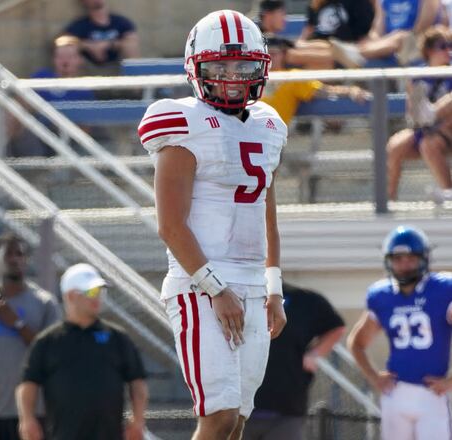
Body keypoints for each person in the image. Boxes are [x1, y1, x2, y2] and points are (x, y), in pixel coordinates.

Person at [139, 9, 288, 440]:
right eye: (219, 66)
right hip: (199, 281)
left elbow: (268, 213)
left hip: (253, 284)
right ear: (195, 67)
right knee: (219, 415)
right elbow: (170, 224)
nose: (232, 76)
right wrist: (215, 287)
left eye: (243, 65)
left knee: (238, 419)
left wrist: (274, 286)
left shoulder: (269, 124)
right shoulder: (182, 121)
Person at [16, 263, 148, 440]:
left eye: (100, 292)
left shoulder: (118, 337)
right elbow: (28, 383)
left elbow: (137, 382)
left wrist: (138, 420)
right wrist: (27, 419)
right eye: (91, 292)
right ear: (71, 296)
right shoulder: (47, 341)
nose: (98, 298)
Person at [348, 225, 452, 440]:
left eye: (411, 258)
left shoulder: (442, 289)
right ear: (389, 260)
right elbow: (356, 343)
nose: (404, 265)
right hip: (396, 393)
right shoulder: (382, 295)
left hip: (433, 393)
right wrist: (373, 376)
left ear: (423, 258)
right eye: (398, 259)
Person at [0, 233, 62, 440]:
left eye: (20, 254)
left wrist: (17, 323)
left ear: (26, 260)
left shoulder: (45, 304)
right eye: (9, 254)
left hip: (35, 415)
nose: (15, 259)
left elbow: (51, 356)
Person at [244, 283, 346, 440]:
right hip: (238, 407)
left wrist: (315, 354)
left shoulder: (303, 300)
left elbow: (336, 327)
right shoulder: (232, 296)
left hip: (287, 407)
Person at [385, 26, 452, 201]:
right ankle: (388, 201)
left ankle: (448, 194)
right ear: (429, 50)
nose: (448, 50)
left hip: (447, 128)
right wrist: (422, 121)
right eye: (442, 46)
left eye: (450, 45)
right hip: (424, 128)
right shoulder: (418, 75)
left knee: (429, 145)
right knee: (394, 146)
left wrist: (438, 121)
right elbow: (413, 114)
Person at [262, 34, 370, 125]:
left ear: (283, 54)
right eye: (266, 54)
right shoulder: (250, 74)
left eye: (273, 54)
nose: (269, 57)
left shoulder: (292, 77)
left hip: (270, 136)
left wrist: (350, 90)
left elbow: (325, 91)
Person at [63, 0, 139, 67]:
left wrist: (108, 44)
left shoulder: (121, 22)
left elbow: (131, 41)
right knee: (66, 50)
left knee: (130, 47)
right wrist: (88, 45)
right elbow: (62, 41)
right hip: (88, 67)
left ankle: (135, 79)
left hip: (117, 66)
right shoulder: (80, 24)